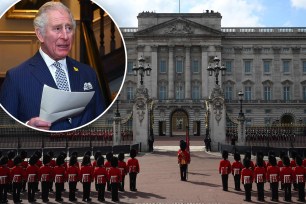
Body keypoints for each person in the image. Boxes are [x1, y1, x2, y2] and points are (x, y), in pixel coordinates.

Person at [0, 1, 105, 131]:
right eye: (57, 28)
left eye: (69, 28)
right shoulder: (16, 78)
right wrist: (27, 128)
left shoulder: (88, 74)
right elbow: (4, 130)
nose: (65, 36)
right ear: (40, 34)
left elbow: (102, 123)